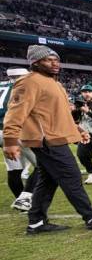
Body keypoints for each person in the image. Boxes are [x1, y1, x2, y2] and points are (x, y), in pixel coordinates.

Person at [2, 45, 92, 234]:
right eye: (49, 60)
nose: (55, 63)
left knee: (48, 180)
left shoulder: (54, 83)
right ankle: (91, 217)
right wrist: (10, 140)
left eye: (56, 59)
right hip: (46, 139)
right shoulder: (29, 82)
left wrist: (78, 129)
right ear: (35, 62)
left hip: (54, 137)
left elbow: (60, 114)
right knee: (71, 176)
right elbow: (15, 113)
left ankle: (36, 222)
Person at [0, 67, 40, 212]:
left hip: (2, 133)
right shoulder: (23, 87)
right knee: (42, 165)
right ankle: (25, 197)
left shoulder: (2, 85)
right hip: (15, 130)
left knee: (14, 169)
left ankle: (21, 202)